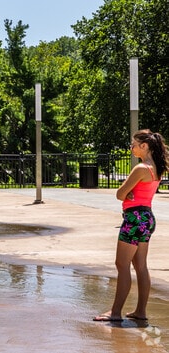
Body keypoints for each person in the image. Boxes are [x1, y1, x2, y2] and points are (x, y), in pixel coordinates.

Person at [94, 129, 168, 322]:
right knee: (141, 265)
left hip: (134, 218)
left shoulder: (141, 168)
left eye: (133, 145)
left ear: (144, 146)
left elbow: (120, 193)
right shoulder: (156, 168)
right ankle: (140, 311)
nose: (131, 148)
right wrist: (130, 194)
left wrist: (127, 194)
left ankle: (115, 312)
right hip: (147, 217)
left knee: (122, 264)